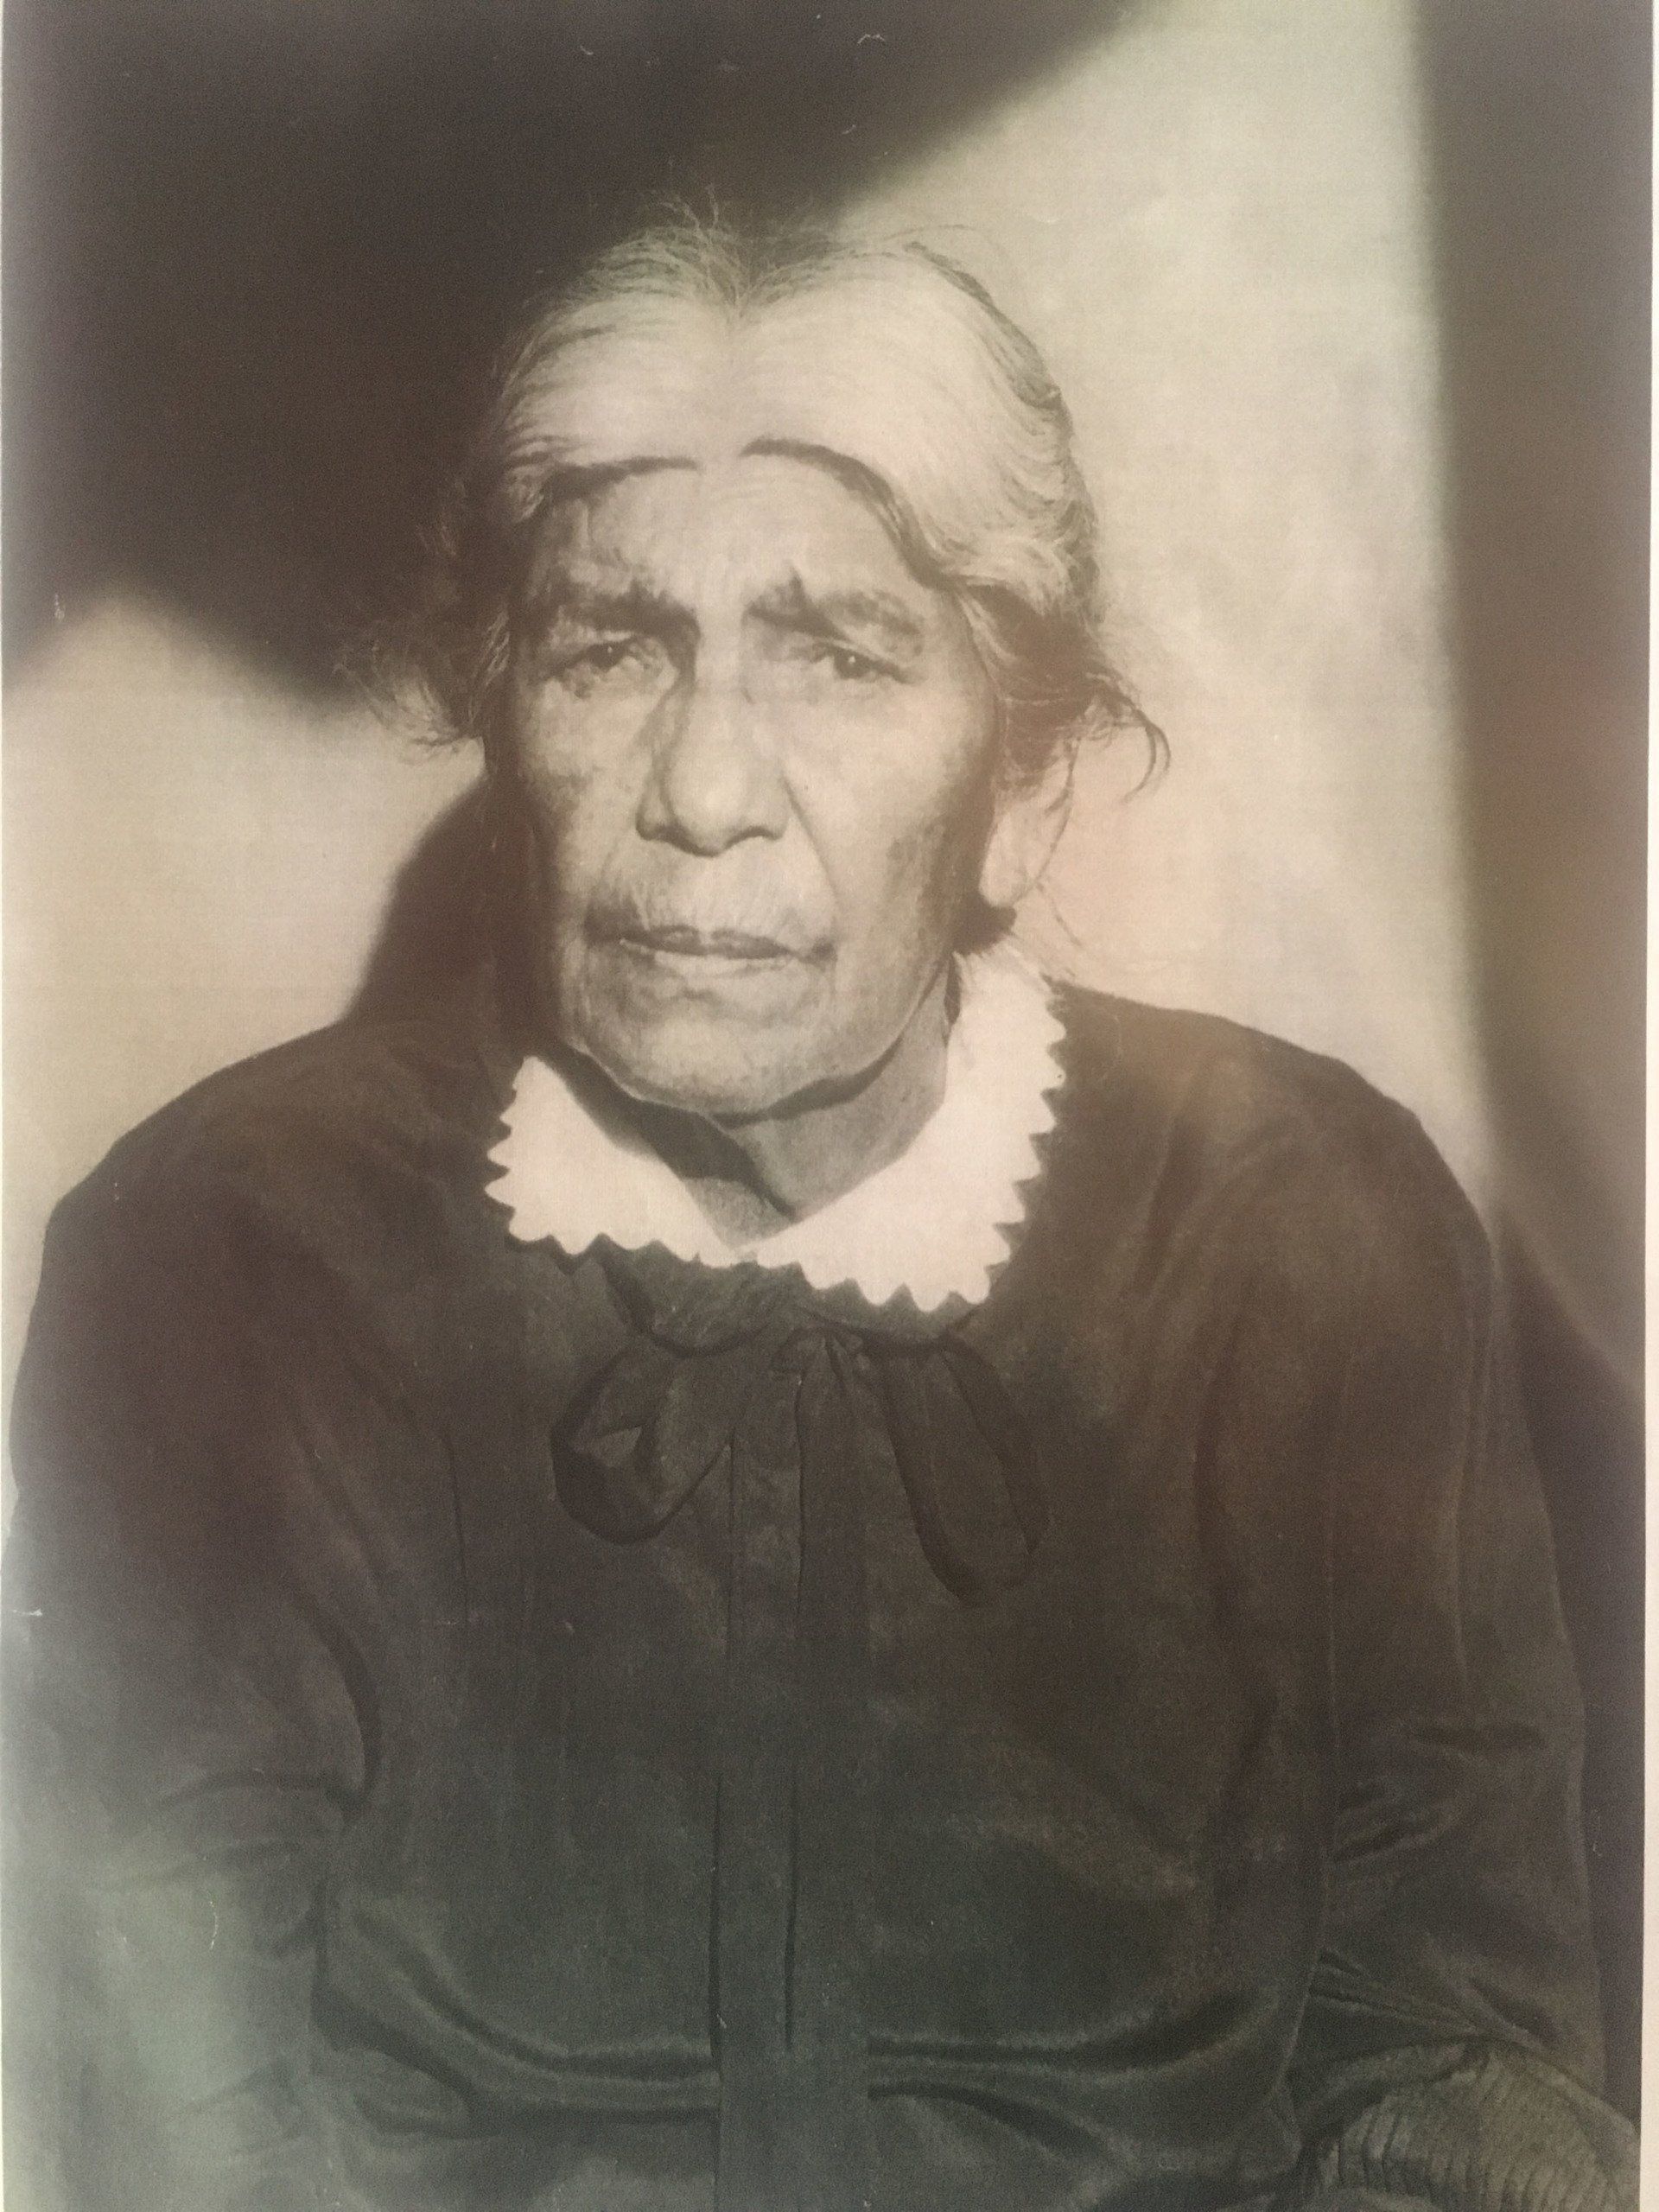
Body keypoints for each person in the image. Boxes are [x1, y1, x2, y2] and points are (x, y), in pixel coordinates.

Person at [3, 215, 1637, 2212]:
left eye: (839, 655)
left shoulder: (1307, 1224)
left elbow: (1468, 2063)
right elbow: (170, 2121)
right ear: (509, 716)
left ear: (1022, 778)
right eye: (610, 646)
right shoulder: (230, 1254)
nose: (702, 787)